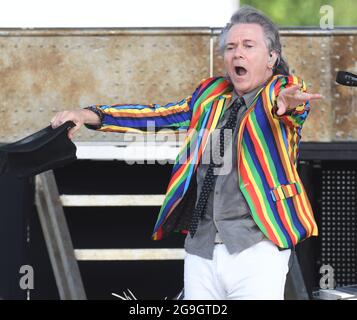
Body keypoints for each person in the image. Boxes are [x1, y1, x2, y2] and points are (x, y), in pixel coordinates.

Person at [51, 6, 322, 300]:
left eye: (248, 45)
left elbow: (291, 103)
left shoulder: (281, 90)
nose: (237, 54)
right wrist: (90, 115)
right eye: (230, 47)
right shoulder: (210, 95)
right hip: (202, 249)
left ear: (272, 57)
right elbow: (158, 115)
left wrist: (289, 103)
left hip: (258, 248)